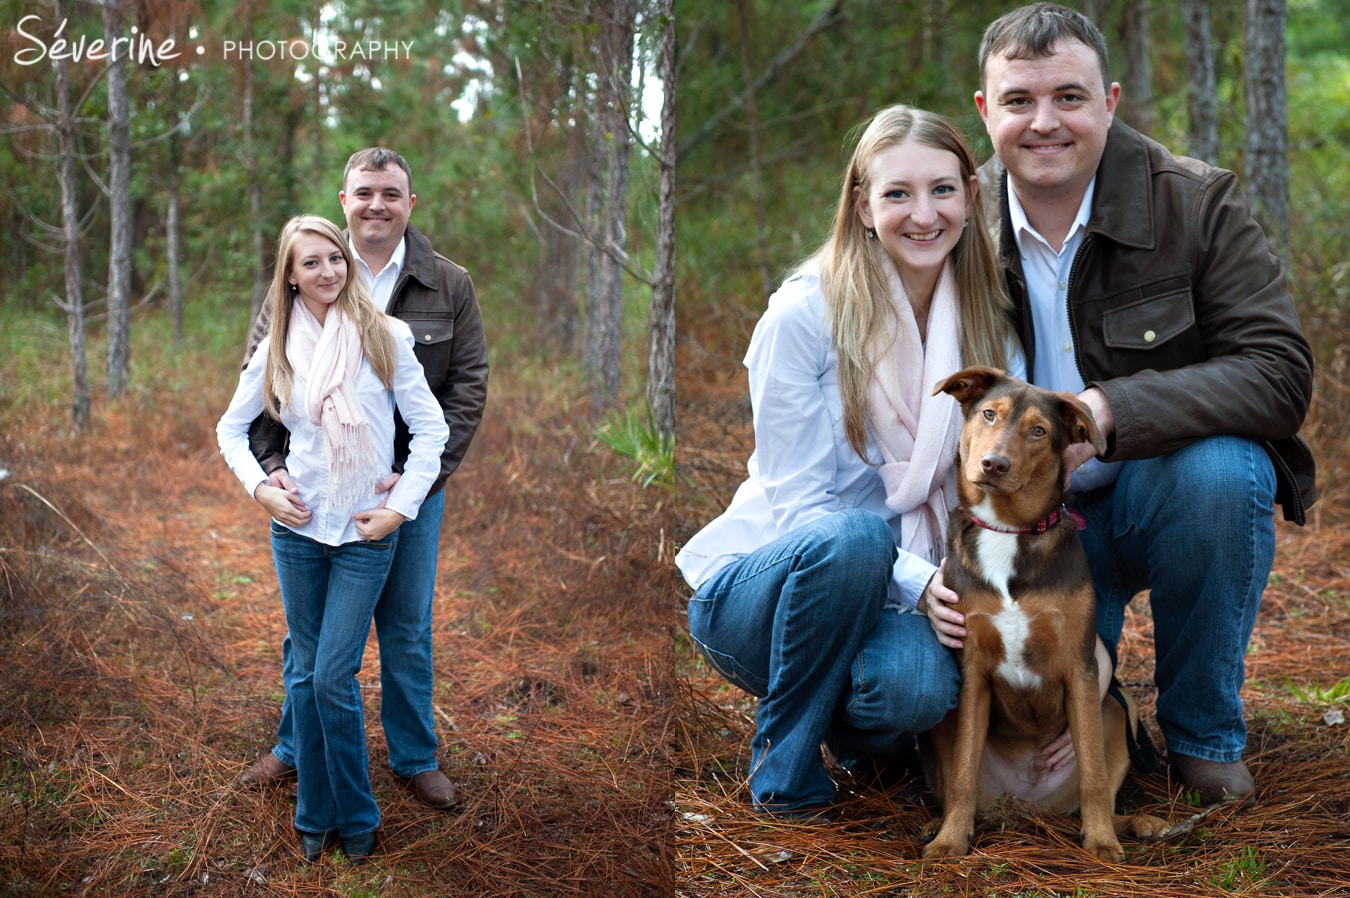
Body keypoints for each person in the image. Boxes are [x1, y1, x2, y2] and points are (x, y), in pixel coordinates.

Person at [945, 2, 1316, 806]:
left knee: (1224, 472)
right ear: (986, 110)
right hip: (1015, 529)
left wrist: (1111, 411)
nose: (1045, 123)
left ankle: (1201, 737)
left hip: (1153, 499)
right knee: (1047, 763)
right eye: (1019, 101)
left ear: (1110, 101)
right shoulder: (952, 219)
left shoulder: (1196, 201)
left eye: (1069, 98)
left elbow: (1281, 372)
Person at [675, 105, 1026, 818]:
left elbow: (994, 481)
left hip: (907, 581)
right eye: (897, 193)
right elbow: (801, 508)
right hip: (770, 592)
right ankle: (785, 775)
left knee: (915, 693)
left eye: (942, 190)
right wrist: (919, 579)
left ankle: (851, 722)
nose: (923, 214)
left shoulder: (991, 320)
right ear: (863, 206)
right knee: (854, 536)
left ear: (971, 196)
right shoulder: (803, 316)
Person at [239, 148, 490, 811]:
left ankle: (413, 756)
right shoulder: (308, 266)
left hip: (410, 488)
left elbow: (466, 389)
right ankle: (296, 746)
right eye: (364, 192)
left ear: (412, 203)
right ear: (343, 199)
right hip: (320, 489)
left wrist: (413, 482)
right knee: (311, 635)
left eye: (391, 192)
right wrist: (271, 472)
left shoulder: (447, 283)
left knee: (406, 626)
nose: (377, 203)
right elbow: (263, 383)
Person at [218, 215, 451, 861]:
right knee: (303, 676)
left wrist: (400, 510)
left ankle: (357, 813)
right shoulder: (277, 349)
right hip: (296, 529)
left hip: (363, 531)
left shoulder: (386, 335)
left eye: (335, 258)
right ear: (290, 275)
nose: (327, 271)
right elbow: (229, 430)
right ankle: (316, 815)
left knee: (330, 676)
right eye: (311, 262)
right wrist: (262, 489)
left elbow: (431, 432)